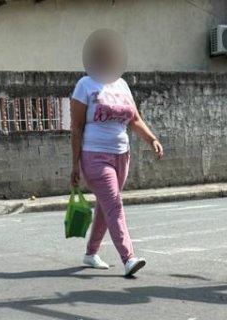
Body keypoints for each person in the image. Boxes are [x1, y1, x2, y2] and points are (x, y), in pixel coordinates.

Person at [70, 29, 164, 278]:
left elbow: (135, 119)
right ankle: (128, 257)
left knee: (106, 206)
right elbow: (76, 128)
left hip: (122, 154)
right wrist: (75, 164)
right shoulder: (84, 85)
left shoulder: (121, 85)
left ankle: (91, 253)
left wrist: (152, 139)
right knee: (114, 203)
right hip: (94, 156)